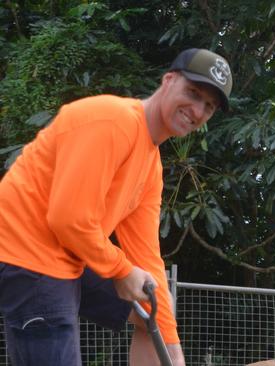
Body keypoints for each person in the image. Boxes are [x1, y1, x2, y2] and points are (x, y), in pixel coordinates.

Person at [0, 48, 233, 366]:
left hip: (67, 255)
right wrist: (121, 271)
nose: (197, 109)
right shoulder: (115, 121)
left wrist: (174, 352)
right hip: (25, 255)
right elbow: (68, 220)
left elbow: (147, 257)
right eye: (193, 93)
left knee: (148, 303)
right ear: (168, 81)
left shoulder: (151, 166)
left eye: (209, 106)